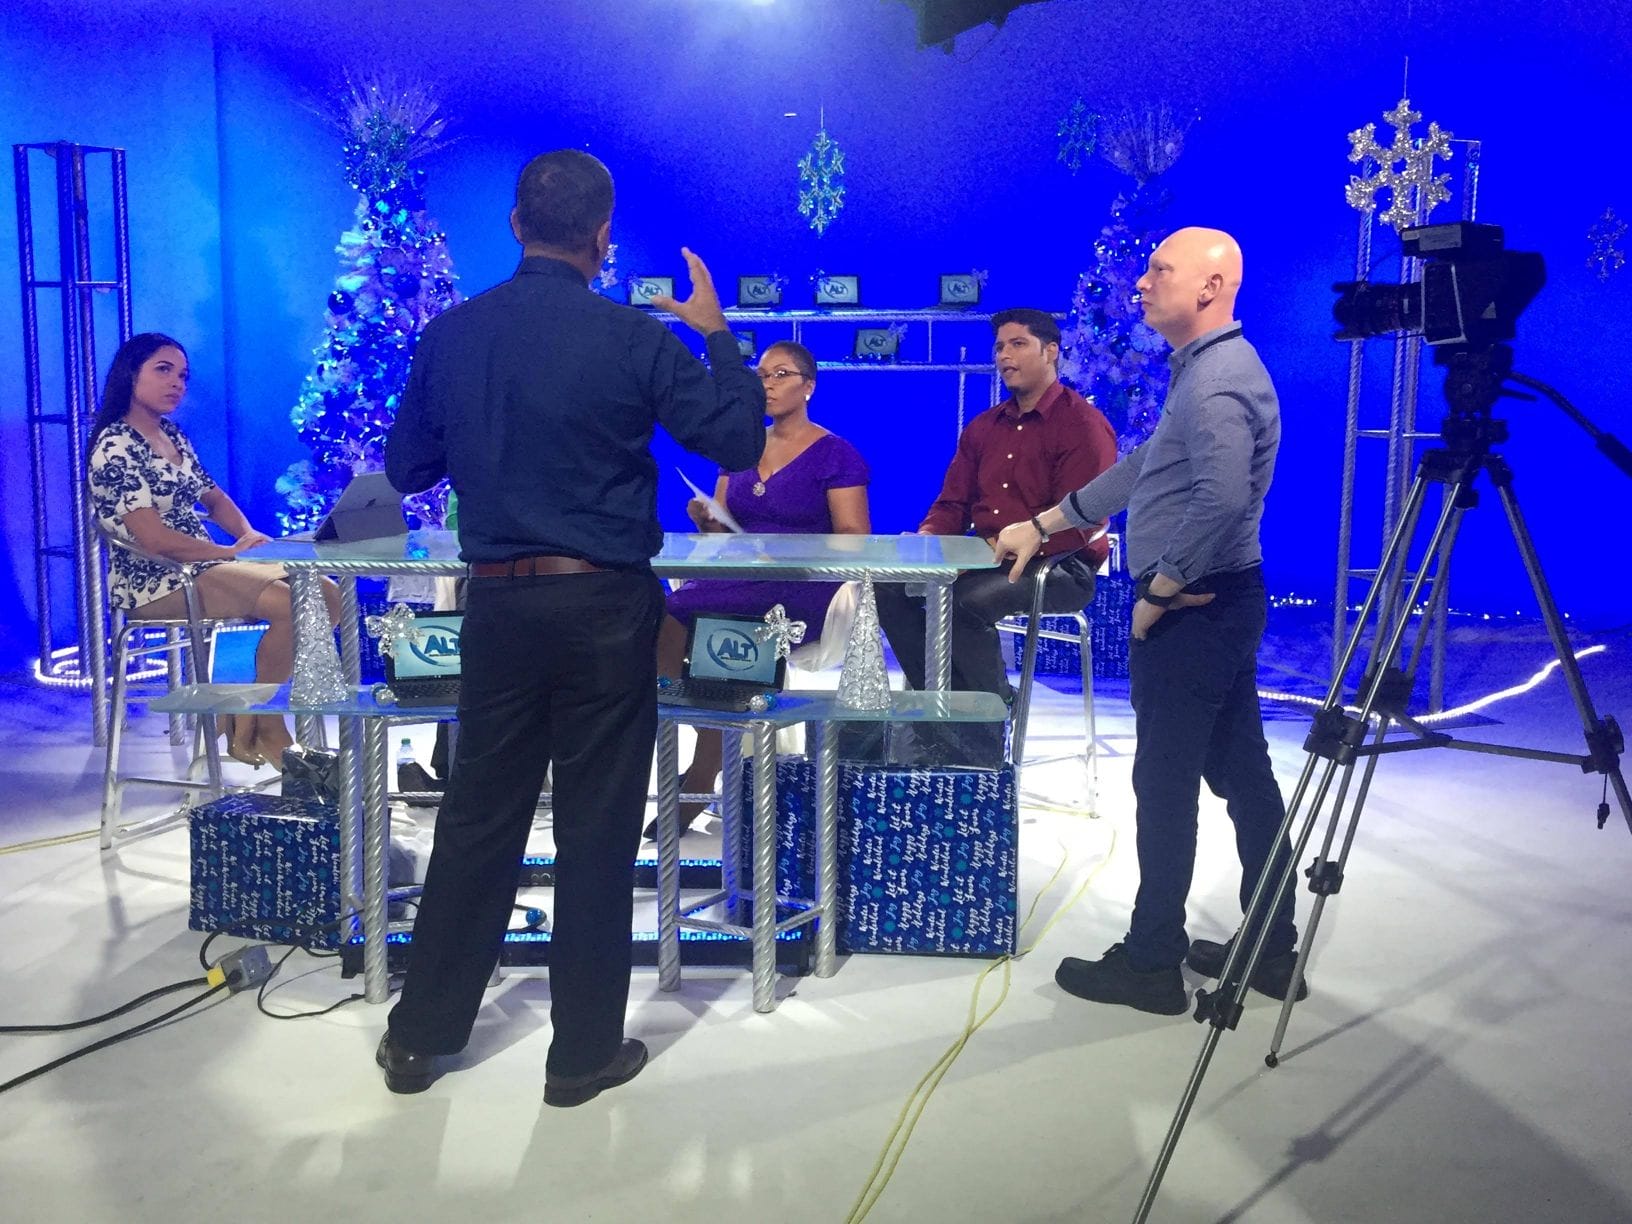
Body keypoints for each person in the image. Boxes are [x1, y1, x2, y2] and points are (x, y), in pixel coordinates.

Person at [379, 149, 765, 1104]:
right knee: (597, 827)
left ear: (516, 225)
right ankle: (581, 1054)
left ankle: (420, 1039)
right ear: (604, 237)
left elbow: (407, 468)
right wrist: (716, 335)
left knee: (478, 818)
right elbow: (737, 439)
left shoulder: (452, 334)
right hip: (603, 607)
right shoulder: (632, 337)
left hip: (499, 605)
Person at [993, 227, 1303, 1017]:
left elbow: (1222, 498)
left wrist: (1161, 590)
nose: (1140, 283)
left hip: (1197, 611)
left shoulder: (1215, 381)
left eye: (1160, 270)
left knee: (1166, 786)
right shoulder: (1206, 370)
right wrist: (1046, 521)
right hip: (1222, 601)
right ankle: (1271, 950)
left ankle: (1152, 962)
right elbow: (1145, 468)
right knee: (1242, 774)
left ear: (1210, 286)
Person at [874, 308, 1118, 765]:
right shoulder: (984, 428)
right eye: (1000, 347)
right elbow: (952, 504)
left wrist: (1011, 544)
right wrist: (927, 539)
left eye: (1018, 344)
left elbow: (1083, 521)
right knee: (889, 588)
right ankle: (956, 713)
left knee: (965, 602)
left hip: (1061, 565)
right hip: (985, 561)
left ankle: (983, 739)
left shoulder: (1082, 424)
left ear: (1050, 351)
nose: (1005, 356)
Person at [86, 332, 339, 768]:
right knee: (295, 603)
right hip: (157, 578)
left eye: (183, 375)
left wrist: (248, 536)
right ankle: (268, 725)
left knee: (328, 595)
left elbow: (215, 499)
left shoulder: (172, 434)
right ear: (130, 374)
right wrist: (228, 553)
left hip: (204, 563)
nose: (177, 383)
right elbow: (155, 539)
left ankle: (246, 715)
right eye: (163, 370)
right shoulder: (115, 447)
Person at [653, 339, 870, 836]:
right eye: (761, 375)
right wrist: (708, 521)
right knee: (661, 612)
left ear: (809, 386)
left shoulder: (836, 454)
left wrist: (786, 552)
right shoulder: (740, 449)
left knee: (728, 618)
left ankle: (706, 768)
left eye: (780, 374)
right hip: (741, 574)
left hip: (804, 581)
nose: (767, 384)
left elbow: (855, 537)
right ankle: (711, 740)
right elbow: (725, 537)